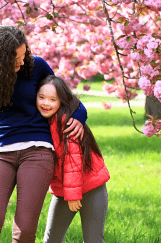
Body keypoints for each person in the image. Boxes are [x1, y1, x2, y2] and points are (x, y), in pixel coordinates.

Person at [0, 25, 88, 243]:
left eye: (24, 55)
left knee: (24, 230)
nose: (22, 62)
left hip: (38, 150)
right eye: (16, 58)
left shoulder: (37, 66)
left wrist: (79, 117)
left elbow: (67, 100)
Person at [37, 75, 110, 243]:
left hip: (91, 186)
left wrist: (73, 195)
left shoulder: (67, 123)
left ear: (61, 101)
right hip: (64, 189)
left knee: (93, 239)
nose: (46, 103)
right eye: (41, 98)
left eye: (52, 99)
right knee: (51, 239)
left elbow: (73, 160)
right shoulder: (42, 121)